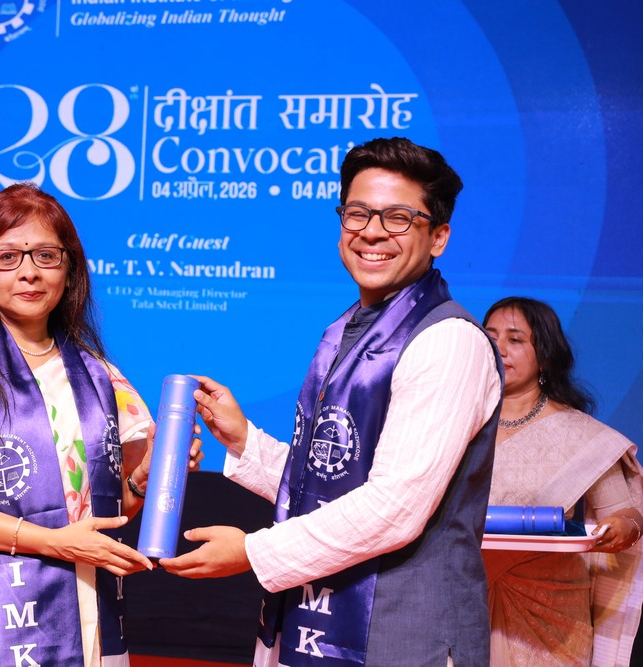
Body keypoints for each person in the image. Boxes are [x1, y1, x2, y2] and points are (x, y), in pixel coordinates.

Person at [161, 137, 503, 666]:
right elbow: (331, 481)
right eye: (358, 213)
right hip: (318, 618)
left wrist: (253, 551)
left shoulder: (448, 341)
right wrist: (244, 440)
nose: (372, 232)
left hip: (403, 637)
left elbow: (393, 508)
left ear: (438, 237)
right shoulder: (346, 331)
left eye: (398, 218)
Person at [0, 183, 200, 667]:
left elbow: (101, 514)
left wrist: (143, 477)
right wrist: (49, 541)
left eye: (46, 255)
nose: (29, 272)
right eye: (7, 257)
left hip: (77, 607)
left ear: (69, 270)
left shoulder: (97, 374)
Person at [482, 297, 643, 666]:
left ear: (545, 355)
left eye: (515, 339)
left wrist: (625, 527)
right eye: (490, 337)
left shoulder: (581, 436)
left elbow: (627, 513)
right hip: (461, 598)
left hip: (549, 615)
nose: (499, 348)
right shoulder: (458, 424)